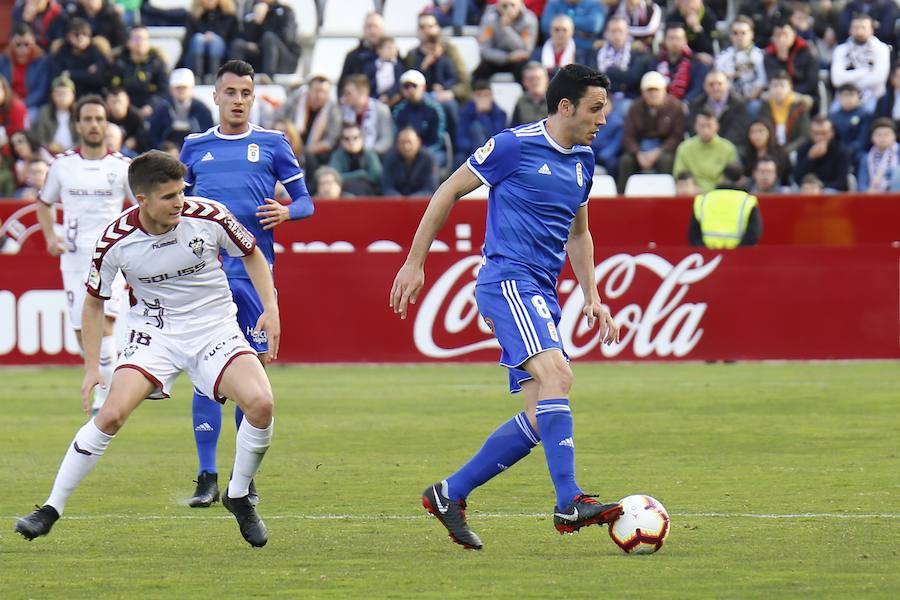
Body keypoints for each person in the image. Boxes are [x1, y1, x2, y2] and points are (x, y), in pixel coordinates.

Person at [390, 64, 623, 551]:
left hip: (542, 292)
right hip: (508, 281)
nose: (603, 119)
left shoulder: (583, 160)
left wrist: (593, 296)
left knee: (541, 415)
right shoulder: (513, 145)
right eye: (596, 108)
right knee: (559, 377)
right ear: (566, 107)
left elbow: (579, 234)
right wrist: (414, 263)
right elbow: (448, 190)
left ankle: (449, 493)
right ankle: (568, 501)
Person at [14, 150, 279, 548]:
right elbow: (93, 302)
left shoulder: (209, 216)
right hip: (155, 334)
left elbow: (252, 254)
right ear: (142, 199)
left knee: (261, 405)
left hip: (213, 328)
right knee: (111, 415)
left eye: (182, 192)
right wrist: (92, 367)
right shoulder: (115, 240)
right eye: (169, 196)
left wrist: (271, 308)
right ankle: (50, 509)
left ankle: (238, 495)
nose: (180, 202)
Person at [179, 60, 313, 509]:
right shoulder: (194, 146)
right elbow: (176, 206)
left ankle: (243, 477)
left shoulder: (273, 143)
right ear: (215, 96)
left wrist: (286, 211)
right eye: (231, 92)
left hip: (255, 276)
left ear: (253, 98)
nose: (238, 100)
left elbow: (306, 202)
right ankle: (206, 476)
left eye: (246, 93)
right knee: (205, 375)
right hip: (205, 277)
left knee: (249, 373)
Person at [34, 95, 134, 415]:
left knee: (104, 325)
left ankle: (106, 403)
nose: (94, 125)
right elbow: (43, 203)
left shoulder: (121, 166)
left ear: (106, 124)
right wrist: (50, 236)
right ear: (78, 124)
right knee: (83, 333)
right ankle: (104, 382)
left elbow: (142, 206)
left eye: (99, 119)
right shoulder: (62, 165)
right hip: (75, 259)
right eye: (88, 119)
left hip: (111, 258)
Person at [617, 70, 686, 192]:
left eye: (656, 90)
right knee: (625, 161)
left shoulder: (676, 107)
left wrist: (659, 151)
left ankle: (666, 195)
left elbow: (677, 136)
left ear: (664, 90)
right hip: (641, 148)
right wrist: (637, 153)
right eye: (649, 91)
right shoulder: (635, 107)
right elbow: (628, 136)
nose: (653, 94)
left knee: (666, 160)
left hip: (664, 148)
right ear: (643, 92)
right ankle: (622, 196)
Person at [688, 162, 762, 248]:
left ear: (722, 177)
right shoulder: (748, 201)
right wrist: (738, 252)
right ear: (741, 179)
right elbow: (753, 234)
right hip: (739, 254)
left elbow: (694, 234)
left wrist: (706, 252)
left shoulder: (703, 200)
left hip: (708, 254)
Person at [830, 14, 891, 114]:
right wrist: (864, 71)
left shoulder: (881, 49)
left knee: (868, 111)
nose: (859, 32)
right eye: (855, 28)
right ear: (850, 30)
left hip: (873, 96)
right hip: (845, 95)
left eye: (863, 27)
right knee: (833, 112)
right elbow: (837, 80)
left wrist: (847, 77)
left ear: (872, 30)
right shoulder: (841, 50)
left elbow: (878, 79)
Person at [109, 26, 170, 118]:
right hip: (123, 110)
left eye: (144, 39)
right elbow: (111, 87)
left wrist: (151, 105)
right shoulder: (118, 62)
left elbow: (164, 90)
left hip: (150, 110)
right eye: (136, 39)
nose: (140, 42)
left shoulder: (157, 63)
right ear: (128, 42)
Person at [673, 107, 739, 193]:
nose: (705, 130)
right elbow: (680, 174)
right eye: (702, 126)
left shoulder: (728, 148)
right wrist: (692, 187)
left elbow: (731, 177)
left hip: (720, 193)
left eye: (709, 125)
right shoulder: (684, 148)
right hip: (692, 193)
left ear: (717, 126)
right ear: (695, 126)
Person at [229, 0, 301, 78]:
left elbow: (288, 37)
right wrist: (256, 21)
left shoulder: (285, 10)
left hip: (283, 59)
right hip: (260, 54)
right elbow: (246, 38)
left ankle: (268, 77)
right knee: (237, 44)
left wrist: (269, 10)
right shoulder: (253, 12)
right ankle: (236, 78)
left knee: (268, 38)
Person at [473, 0, 539, 84]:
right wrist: (507, 58)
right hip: (496, 59)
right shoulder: (489, 18)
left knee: (525, 70)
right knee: (479, 72)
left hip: (518, 60)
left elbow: (525, 50)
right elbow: (484, 50)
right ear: (498, 6)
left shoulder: (529, 20)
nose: (509, 9)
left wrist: (506, 29)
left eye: (512, 5)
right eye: (504, 6)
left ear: (520, 4)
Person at [148, 68, 214, 149]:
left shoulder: (203, 110)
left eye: (184, 88)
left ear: (191, 88)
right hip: (166, 150)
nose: (181, 91)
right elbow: (153, 135)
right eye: (178, 88)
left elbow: (207, 136)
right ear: (171, 89)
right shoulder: (162, 108)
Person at [688, 70, 751, 155]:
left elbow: (738, 131)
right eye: (711, 84)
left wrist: (718, 146)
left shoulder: (738, 104)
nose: (716, 88)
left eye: (719, 84)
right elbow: (692, 127)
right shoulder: (697, 104)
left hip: (729, 147)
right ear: (704, 86)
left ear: (727, 85)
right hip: (703, 144)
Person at [392, 70, 447, 163]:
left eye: (414, 86)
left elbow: (438, 141)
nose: (410, 90)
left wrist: (419, 153)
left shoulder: (434, 109)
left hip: (430, 151)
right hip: (405, 151)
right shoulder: (399, 111)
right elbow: (396, 137)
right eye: (406, 86)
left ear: (423, 88)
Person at [0, 23, 50, 122]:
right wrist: (10, 103)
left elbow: (41, 90)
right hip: (7, 103)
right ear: (11, 43)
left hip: (31, 105)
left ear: (33, 43)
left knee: (32, 118)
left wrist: (23, 104)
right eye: (18, 44)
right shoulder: (3, 60)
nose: (22, 49)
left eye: (27, 44)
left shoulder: (41, 60)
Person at [181, 0, 239, 84]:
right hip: (196, 53)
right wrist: (204, 37)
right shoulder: (193, 16)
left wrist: (214, 36)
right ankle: (197, 76)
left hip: (222, 55)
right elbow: (187, 41)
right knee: (198, 39)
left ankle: (214, 75)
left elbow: (232, 37)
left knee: (215, 42)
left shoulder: (229, 15)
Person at [49, 17, 109, 97]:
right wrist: (86, 73)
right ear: (68, 35)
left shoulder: (96, 51)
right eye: (76, 34)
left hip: (94, 95)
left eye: (85, 34)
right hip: (68, 96)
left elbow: (98, 78)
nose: (81, 38)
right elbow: (58, 78)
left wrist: (70, 74)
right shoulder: (61, 52)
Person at [714, 16, 767, 107]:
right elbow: (717, 81)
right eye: (735, 33)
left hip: (753, 101)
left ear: (751, 34)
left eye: (743, 33)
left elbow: (762, 82)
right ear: (730, 36)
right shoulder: (722, 57)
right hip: (728, 101)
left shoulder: (761, 56)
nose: (739, 37)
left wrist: (749, 98)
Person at [758, 70, 811, 156]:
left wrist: (787, 151)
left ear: (790, 87)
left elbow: (804, 136)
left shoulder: (800, 107)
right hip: (771, 150)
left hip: (793, 150)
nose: (778, 90)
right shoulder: (764, 106)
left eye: (782, 85)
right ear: (769, 87)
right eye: (775, 86)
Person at [456, 80, 509, 166]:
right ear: (473, 97)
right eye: (479, 95)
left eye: (486, 95)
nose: (483, 99)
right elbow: (461, 140)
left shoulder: (500, 114)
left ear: (492, 96)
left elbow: (497, 138)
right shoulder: (465, 112)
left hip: (492, 153)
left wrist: (482, 115)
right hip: (470, 153)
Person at [339, 74, 394, 155]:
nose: (344, 97)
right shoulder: (342, 110)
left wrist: (368, 153)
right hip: (347, 153)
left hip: (374, 154)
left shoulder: (381, 109)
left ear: (362, 92)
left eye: (348, 93)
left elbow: (386, 139)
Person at [793, 115, 850, 192]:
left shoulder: (841, 151)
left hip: (829, 191)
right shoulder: (803, 149)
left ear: (832, 133)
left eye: (823, 133)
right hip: (806, 190)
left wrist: (820, 186)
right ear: (810, 132)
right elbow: (796, 178)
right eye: (816, 133)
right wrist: (810, 158)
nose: (819, 137)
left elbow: (841, 183)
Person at [328, 122, 384, 196]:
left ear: (362, 139)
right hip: (343, 192)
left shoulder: (370, 154)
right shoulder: (337, 155)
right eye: (346, 139)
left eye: (355, 138)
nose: (351, 142)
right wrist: (360, 174)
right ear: (341, 141)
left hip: (369, 192)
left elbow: (376, 175)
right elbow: (334, 177)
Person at [381, 127, 438, 197]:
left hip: (421, 201)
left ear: (418, 142)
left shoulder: (428, 159)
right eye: (403, 142)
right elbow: (387, 187)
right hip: (395, 201)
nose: (406, 147)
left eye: (410, 142)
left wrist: (410, 200)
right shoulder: (390, 158)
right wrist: (399, 199)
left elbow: (430, 188)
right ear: (397, 143)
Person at [541, 0, 606, 58]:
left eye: (564, 30)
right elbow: (546, 25)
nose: (561, 33)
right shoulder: (554, 3)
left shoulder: (593, 3)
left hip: (586, 52)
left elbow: (595, 26)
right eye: (557, 29)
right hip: (554, 51)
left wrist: (563, 20)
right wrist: (588, 43)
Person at [340, 12, 384, 91]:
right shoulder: (352, 56)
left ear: (382, 30)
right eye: (369, 26)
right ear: (364, 29)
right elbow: (342, 85)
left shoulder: (393, 55)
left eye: (376, 27)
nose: (372, 31)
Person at [830, 84, 871, 167]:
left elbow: (863, 140)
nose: (848, 99)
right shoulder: (833, 116)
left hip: (857, 152)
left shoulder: (865, 115)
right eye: (845, 95)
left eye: (852, 95)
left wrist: (847, 151)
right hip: (836, 152)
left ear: (858, 97)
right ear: (839, 98)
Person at [35, 75, 77, 153]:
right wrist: (50, 146)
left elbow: (82, 139)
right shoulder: (45, 112)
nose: (62, 97)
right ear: (52, 95)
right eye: (58, 94)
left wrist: (68, 150)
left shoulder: (79, 112)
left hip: (75, 153)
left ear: (73, 95)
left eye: (65, 93)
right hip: (51, 153)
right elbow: (41, 137)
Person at [857, 118, 899, 193]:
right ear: (872, 138)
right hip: (872, 195)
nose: (883, 138)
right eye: (879, 135)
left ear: (895, 136)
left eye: (887, 134)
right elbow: (861, 184)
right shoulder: (866, 158)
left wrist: (884, 172)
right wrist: (868, 192)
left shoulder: (898, 152)